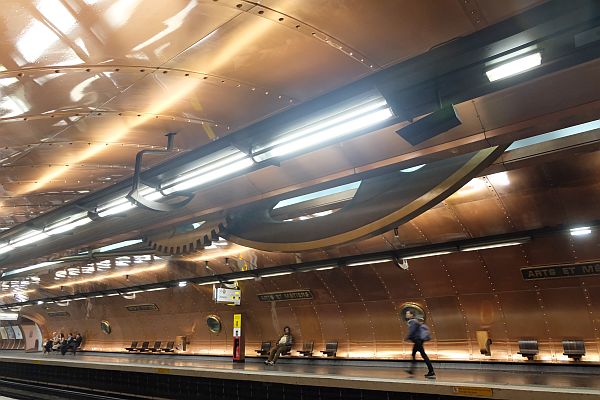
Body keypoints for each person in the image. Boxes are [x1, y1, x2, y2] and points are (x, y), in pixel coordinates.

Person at [405, 310, 435, 378]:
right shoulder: (414, 321)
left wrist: (407, 337)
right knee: (414, 354)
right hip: (418, 341)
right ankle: (412, 370)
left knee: (423, 355)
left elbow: (412, 331)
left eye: (408, 313)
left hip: (418, 341)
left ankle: (431, 371)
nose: (406, 315)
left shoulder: (413, 322)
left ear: (411, 315)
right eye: (406, 313)